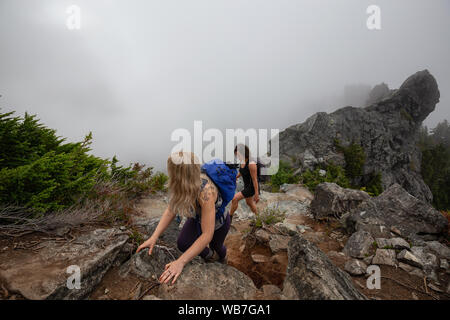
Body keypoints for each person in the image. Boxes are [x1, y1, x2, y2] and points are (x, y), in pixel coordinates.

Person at [136, 151, 231, 285]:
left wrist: (180, 262)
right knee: (183, 243)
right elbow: (171, 209)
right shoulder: (183, 185)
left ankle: (222, 258)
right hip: (198, 217)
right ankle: (210, 257)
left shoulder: (206, 192)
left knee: (217, 246)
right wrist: (154, 237)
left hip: (219, 222)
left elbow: (207, 235)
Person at [230, 144, 260, 218]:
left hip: (252, 187)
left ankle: (229, 217)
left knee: (234, 198)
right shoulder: (243, 162)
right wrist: (235, 177)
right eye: (236, 155)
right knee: (249, 203)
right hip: (247, 186)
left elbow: (254, 179)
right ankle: (259, 217)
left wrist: (257, 194)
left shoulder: (251, 164)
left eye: (238, 155)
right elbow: (241, 172)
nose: (238, 157)